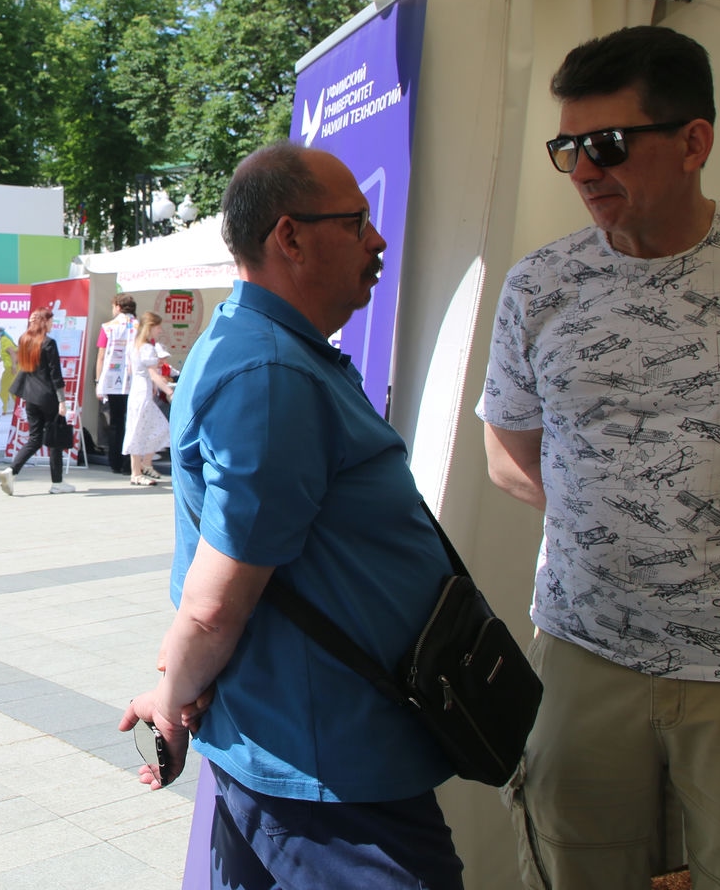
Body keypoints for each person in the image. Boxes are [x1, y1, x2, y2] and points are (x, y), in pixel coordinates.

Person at [477, 26, 720, 889]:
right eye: (567, 149)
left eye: (607, 144)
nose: (584, 171)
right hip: (586, 648)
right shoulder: (540, 285)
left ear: (694, 142)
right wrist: (632, 523)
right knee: (576, 867)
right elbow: (507, 453)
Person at [121, 142, 462, 889]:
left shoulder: (266, 349)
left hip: (318, 749)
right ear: (290, 237)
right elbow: (215, 604)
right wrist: (171, 703)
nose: (378, 240)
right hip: (325, 771)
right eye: (357, 222)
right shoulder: (270, 373)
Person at [0, 309, 72, 495]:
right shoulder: (48, 343)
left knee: (35, 438)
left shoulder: (25, 340)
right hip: (48, 396)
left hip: (30, 396)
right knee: (54, 439)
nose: (52, 324)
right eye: (51, 321)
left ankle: (11, 470)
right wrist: (62, 401)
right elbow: (55, 373)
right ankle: (57, 482)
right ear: (44, 322)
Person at [122, 312, 176, 486]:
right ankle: (137, 471)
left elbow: (131, 370)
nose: (160, 330)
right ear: (151, 327)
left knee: (147, 428)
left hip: (137, 391)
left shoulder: (134, 346)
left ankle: (143, 466)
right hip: (143, 392)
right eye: (158, 327)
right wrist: (169, 391)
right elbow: (153, 374)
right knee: (144, 429)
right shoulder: (147, 348)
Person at [96, 293, 138, 476]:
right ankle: (130, 464)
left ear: (118, 307)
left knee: (116, 421)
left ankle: (115, 462)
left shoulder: (108, 327)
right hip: (135, 380)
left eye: (113, 306)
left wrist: (98, 381)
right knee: (133, 422)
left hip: (112, 380)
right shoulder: (140, 327)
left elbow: (101, 356)